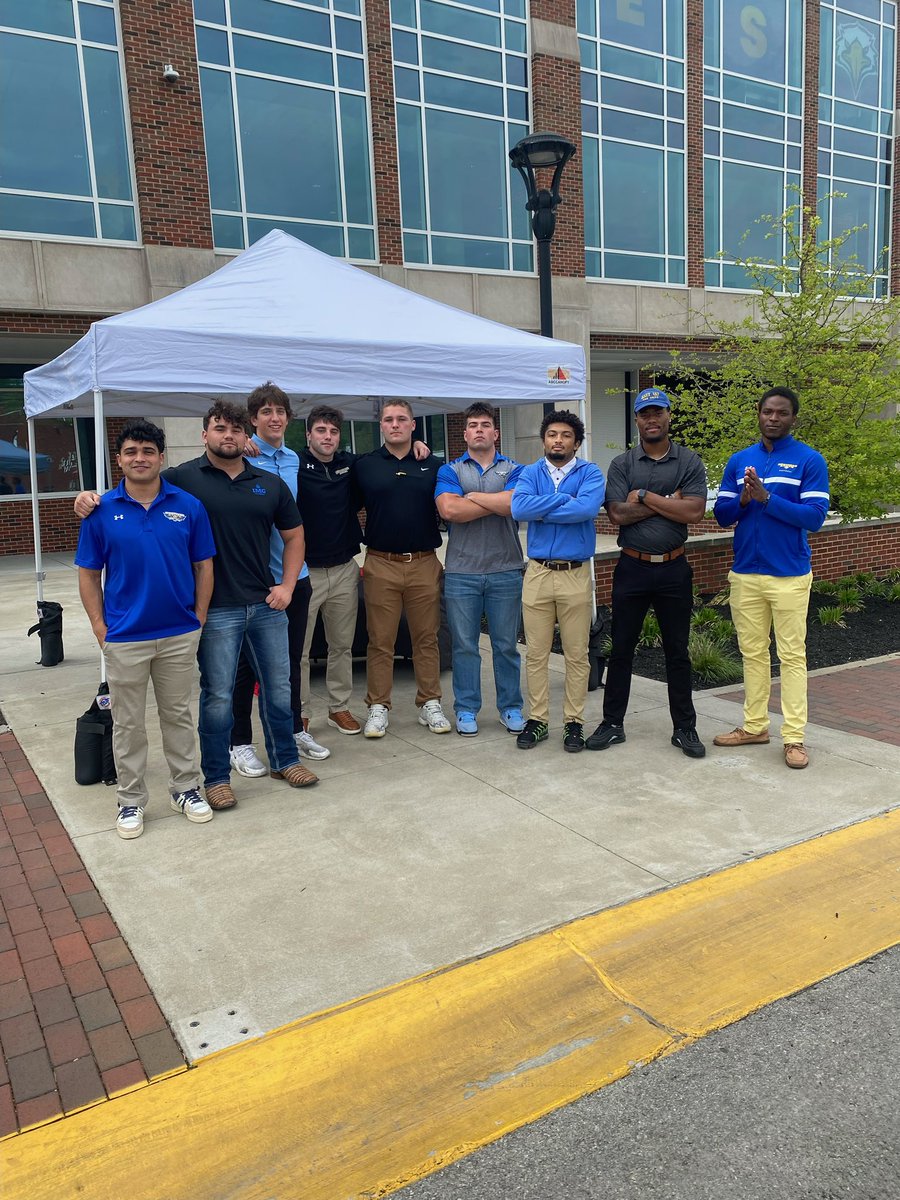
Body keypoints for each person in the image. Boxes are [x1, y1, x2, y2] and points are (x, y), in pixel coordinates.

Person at [76, 401, 317, 808]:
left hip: (266, 604)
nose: (228, 436)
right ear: (205, 434)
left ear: (247, 437)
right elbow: (138, 485)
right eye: (219, 428)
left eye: (236, 430)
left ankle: (285, 760)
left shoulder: (267, 483)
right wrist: (90, 498)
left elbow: (295, 536)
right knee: (217, 695)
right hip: (215, 610)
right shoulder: (182, 478)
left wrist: (288, 586)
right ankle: (217, 777)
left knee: (279, 688)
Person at [75, 420, 215, 839]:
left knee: (177, 716)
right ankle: (130, 800)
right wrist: (101, 629)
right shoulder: (100, 511)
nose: (140, 458)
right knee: (128, 724)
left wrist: (199, 617)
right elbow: (88, 573)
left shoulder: (188, 506)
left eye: (148, 451)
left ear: (161, 456)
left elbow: (204, 565)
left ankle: (186, 788)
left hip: (178, 633)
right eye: (132, 451)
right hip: (125, 637)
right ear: (119, 459)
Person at [585, 387, 708, 758]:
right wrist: (670, 501)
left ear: (669, 416)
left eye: (658, 412)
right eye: (644, 414)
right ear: (636, 420)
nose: (652, 419)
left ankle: (685, 728)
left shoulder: (689, 461)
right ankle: (612, 724)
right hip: (632, 568)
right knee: (621, 649)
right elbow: (618, 515)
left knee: (678, 653)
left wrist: (645, 498)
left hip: (674, 569)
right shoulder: (622, 464)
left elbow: (695, 513)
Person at [713, 387, 830, 770]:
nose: (773, 418)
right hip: (746, 574)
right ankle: (754, 726)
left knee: (792, 656)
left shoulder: (808, 460)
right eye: (767, 412)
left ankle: (794, 737)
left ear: (793, 418)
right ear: (759, 415)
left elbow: (813, 518)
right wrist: (744, 499)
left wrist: (766, 498)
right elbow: (722, 516)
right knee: (753, 654)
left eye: (782, 413)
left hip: (789, 576)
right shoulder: (739, 460)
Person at [295, 406, 429, 737]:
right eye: (321, 431)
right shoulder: (292, 463)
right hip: (303, 570)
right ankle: (298, 713)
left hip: (344, 567)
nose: (327, 437)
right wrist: (253, 445)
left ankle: (338, 708)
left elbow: (390, 458)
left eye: (333, 431)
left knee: (341, 645)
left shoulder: (351, 464)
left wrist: (418, 444)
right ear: (308, 434)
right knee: (299, 649)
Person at [228, 382, 330, 780]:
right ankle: (240, 743)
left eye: (280, 412)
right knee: (243, 670)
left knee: (288, 664)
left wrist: (421, 446)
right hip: (250, 581)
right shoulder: (240, 454)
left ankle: (290, 730)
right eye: (265, 412)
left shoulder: (292, 459)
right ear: (253, 420)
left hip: (294, 577)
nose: (274, 418)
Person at [353, 400, 450, 738]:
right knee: (381, 641)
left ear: (413, 425)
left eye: (402, 419)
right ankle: (378, 706)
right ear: (381, 425)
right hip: (381, 563)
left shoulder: (434, 465)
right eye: (388, 420)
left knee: (426, 638)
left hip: (424, 563)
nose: (395, 425)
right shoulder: (364, 466)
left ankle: (429, 703)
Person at [510, 410, 605, 752]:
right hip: (536, 573)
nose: (558, 440)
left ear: (576, 442)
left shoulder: (590, 472)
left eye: (565, 435)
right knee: (535, 653)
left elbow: (586, 510)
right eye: (552, 434)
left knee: (577, 654)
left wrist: (544, 507)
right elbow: (519, 510)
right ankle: (537, 721)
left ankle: (573, 723)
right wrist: (563, 498)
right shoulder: (530, 472)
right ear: (544, 440)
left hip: (574, 574)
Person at [435, 402, 525, 736]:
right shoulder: (450, 470)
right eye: (473, 425)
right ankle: (467, 709)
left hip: (506, 569)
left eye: (485, 425)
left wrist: (471, 498)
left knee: (505, 645)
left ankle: (510, 707)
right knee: (464, 647)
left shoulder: (515, 468)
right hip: (461, 572)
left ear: (495, 432)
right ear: (465, 433)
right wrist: (495, 501)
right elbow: (449, 510)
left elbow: (515, 503)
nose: (479, 430)